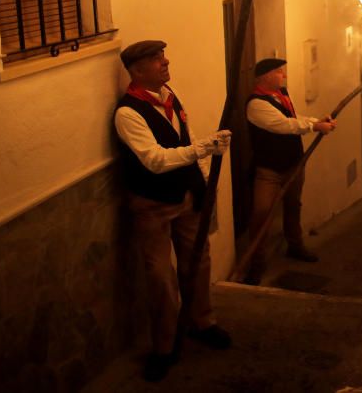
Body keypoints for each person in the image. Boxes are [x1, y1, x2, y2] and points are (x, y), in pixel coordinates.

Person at [113, 40, 232, 381]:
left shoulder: (170, 94)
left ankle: (202, 322)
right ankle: (164, 347)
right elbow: (155, 159)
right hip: (153, 205)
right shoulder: (128, 113)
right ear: (137, 71)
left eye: (162, 56)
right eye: (155, 60)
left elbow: (188, 137)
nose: (165, 62)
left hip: (188, 196)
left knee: (199, 260)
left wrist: (206, 181)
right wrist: (203, 149)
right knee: (161, 278)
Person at [244, 58, 337, 285]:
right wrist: (315, 127)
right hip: (270, 170)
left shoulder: (282, 95)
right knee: (262, 213)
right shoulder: (256, 104)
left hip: (294, 164)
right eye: (278, 72)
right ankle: (255, 265)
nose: (282, 76)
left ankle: (295, 246)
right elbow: (283, 125)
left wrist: (316, 120)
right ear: (264, 76)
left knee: (293, 206)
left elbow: (293, 119)